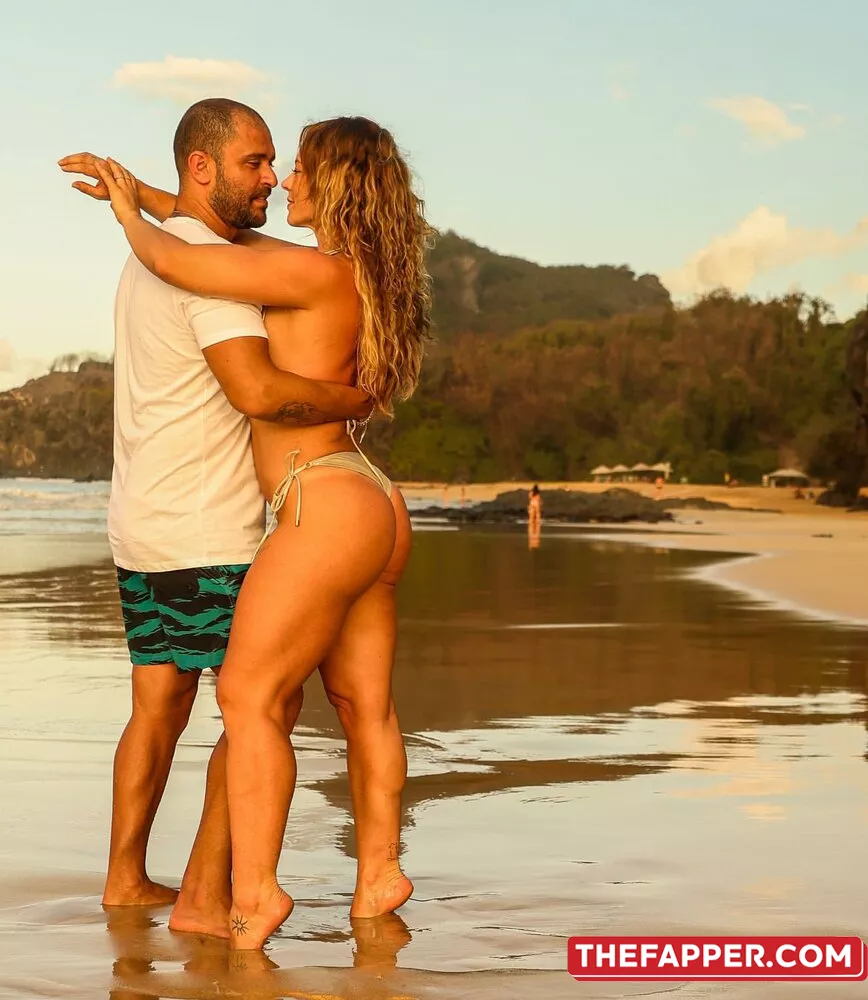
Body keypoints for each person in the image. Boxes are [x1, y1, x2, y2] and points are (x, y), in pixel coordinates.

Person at [89, 112, 433, 949]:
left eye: (299, 167)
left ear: (335, 184)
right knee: (366, 707)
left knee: (248, 699)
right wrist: (154, 192)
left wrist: (128, 212)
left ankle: (252, 896)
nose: (284, 180)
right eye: (270, 164)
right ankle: (378, 875)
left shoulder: (307, 270)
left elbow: (183, 257)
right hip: (370, 500)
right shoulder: (357, 272)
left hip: (320, 500)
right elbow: (219, 231)